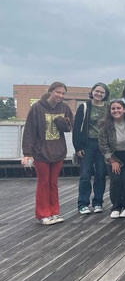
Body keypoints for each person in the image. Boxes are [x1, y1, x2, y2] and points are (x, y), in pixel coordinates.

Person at [21, 82, 73, 225]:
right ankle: (43, 214)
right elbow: (29, 130)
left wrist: (61, 122)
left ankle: (54, 212)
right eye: (58, 92)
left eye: (63, 93)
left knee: (53, 182)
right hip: (41, 152)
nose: (60, 96)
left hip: (58, 151)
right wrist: (27, 152)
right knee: (43, 182)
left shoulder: (65, 107)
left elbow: (69, 127)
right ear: (50, 92)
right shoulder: (37, 108)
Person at [73, 83, 110, 214]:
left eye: (102, 92)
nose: (99, 94)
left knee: (101, 174)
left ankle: (98, 202)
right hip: (88, 144)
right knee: (85, 174)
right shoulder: (84, 107)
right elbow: (77, 128)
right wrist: (78, 147)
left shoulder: (108, 107)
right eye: (97, 91)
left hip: (103, 144)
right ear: (92, 91)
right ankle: (83, 203)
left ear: (105, 95)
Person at [98, 99, 125, 218]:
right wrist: (112, 160)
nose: (116, 111)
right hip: (113, 156)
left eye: (119, 108)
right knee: (115, 180)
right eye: (113, 109)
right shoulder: (105, 125)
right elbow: (103, 145)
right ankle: (116, 206)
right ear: (110, 111)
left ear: (124, 110)